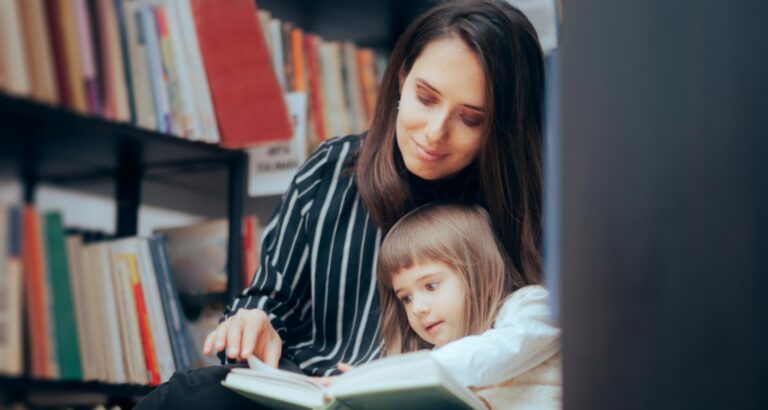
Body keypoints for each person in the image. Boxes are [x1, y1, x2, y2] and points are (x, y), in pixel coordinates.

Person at [136, 0, 546, 408]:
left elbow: (529, 340)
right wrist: (252, 322)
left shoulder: (513, 212)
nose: (435, 132)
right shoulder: (331, 169)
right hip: (303, 391)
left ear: (500, 128)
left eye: (470, 119)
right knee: (192, 394)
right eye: (426, 97)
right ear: (401, 77)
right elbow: (268, 298)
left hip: (421, 400)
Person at [377, 203, 560, 408]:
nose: (418, 308)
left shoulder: (532, 307)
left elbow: (495, 353)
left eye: (431, 286)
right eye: (406, 298)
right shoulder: (438, 358)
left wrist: (403, 375)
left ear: (479, 272)